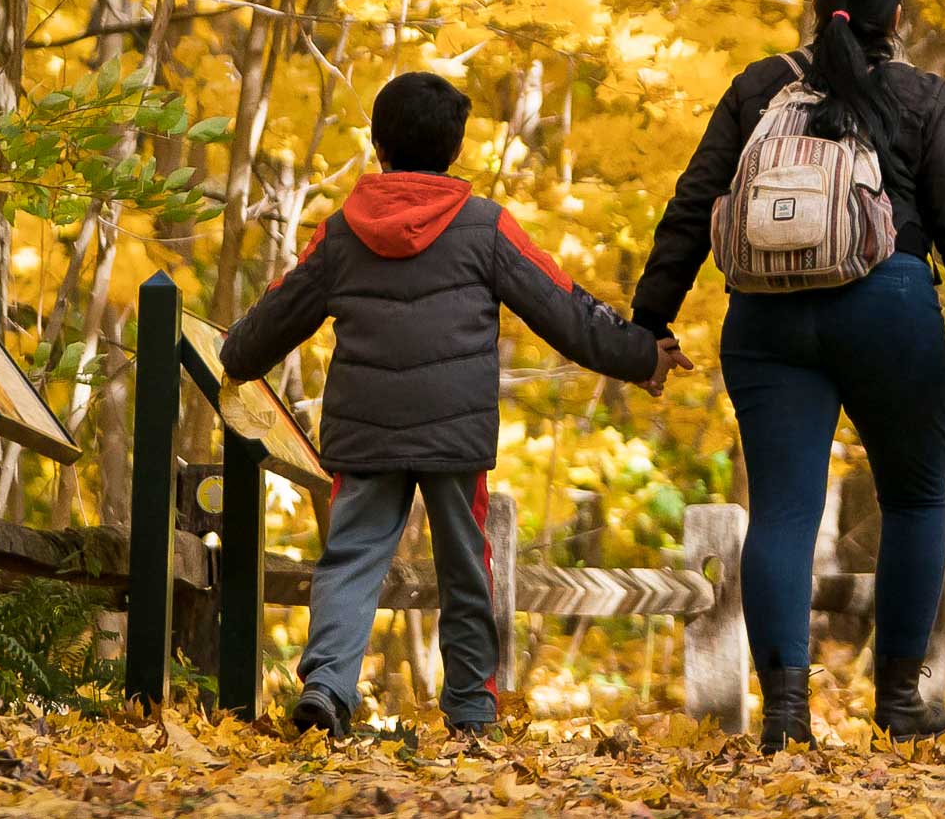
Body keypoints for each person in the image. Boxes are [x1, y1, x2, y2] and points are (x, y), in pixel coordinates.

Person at [634, 0, 945, 749]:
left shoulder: (759, 86)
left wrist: (650, 322)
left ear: (820, 7)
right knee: (916, 499)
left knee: (784, 510)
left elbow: (694, 203)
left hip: (765, 318)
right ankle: (898, 701)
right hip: (889, 306)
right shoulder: (922, 95)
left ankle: (787, 715)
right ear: (896, 16)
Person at [223, 71, 668, 739]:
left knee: (351, 558)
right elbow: (564, 308)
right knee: (466, 562)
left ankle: (326, 685)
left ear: (378, 145)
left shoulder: (342, 231)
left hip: (365, 428)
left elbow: (279, 313)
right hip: (453, 429)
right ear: (455, 149)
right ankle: (470, 706)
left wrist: (233, 357)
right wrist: (642, 354)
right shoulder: (486, 226)